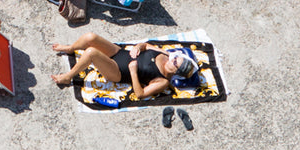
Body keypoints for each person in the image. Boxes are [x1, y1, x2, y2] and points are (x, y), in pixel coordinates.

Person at [50, 33, 198, 100]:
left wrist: (133, 72)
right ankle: (71, 48)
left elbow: (140, 94)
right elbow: (146, 45)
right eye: (175, 58)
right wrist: (138, 47)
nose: (172, 59)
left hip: (118, 72)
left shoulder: (163, 81)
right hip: (120, 53)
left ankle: (67, 77)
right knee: (91, 37)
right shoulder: (166, 55)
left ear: (176, 72)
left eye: (175, 63)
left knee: (91, 53)